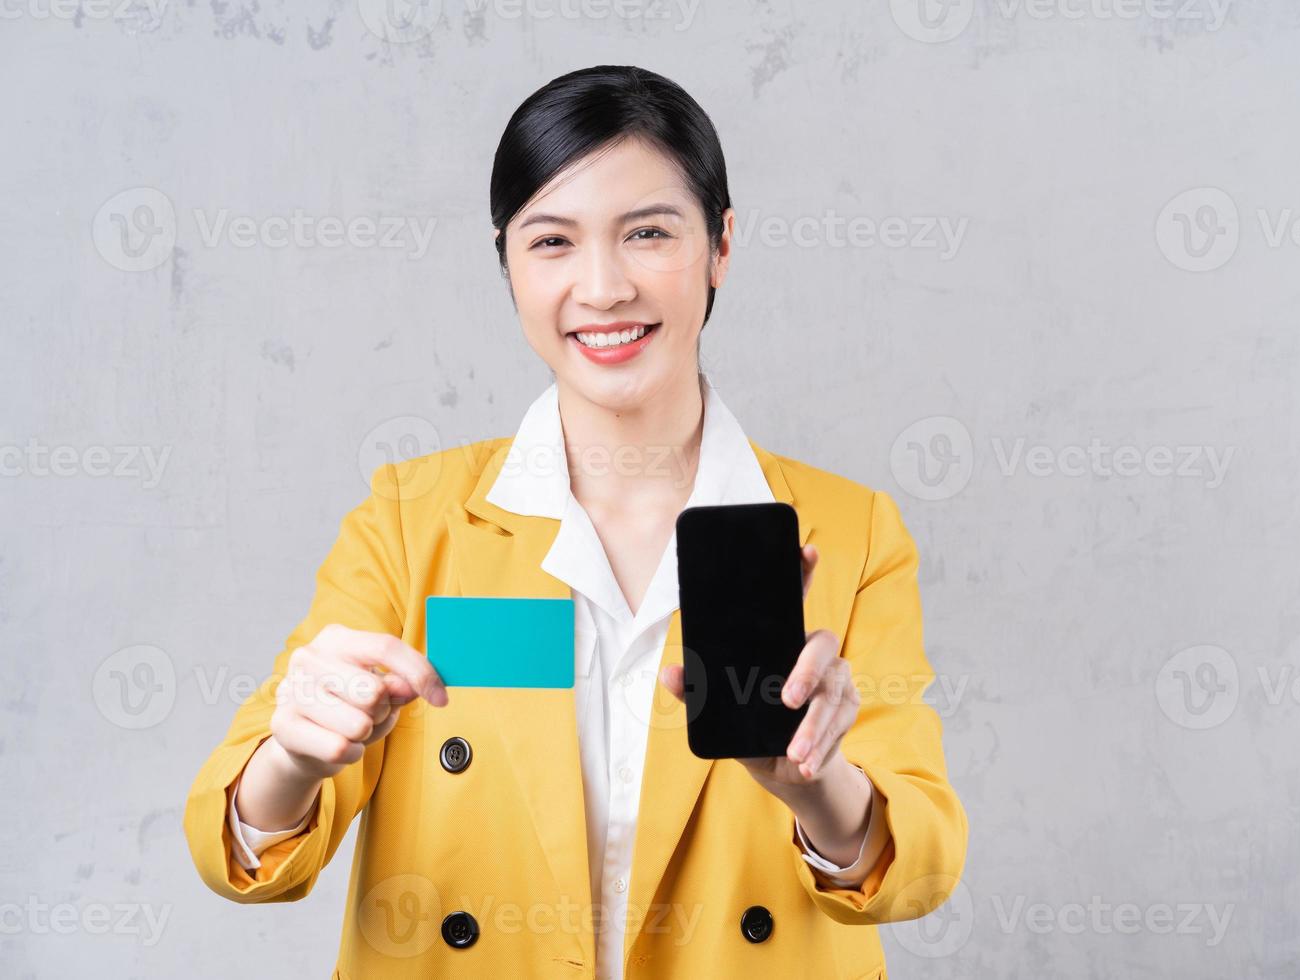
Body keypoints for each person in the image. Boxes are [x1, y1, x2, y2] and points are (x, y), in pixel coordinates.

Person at [183, 64, 968, 979]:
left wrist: (812, 786)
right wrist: (294, 756)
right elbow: (240, 854)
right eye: (551, 241)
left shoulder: (849, 529)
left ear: (720, 247)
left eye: (647, 234)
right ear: (507, 264)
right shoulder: (411, 520)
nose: (602, 288)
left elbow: (922, 864)